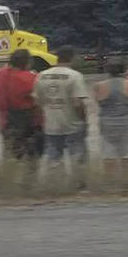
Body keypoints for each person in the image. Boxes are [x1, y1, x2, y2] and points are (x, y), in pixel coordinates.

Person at [34, 46, 90, 189]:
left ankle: (55, 186)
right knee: (77, 156)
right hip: (72, 123)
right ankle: (78, 186)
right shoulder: (75, 76)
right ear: (71, 57)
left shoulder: (41, 75)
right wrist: (84, 121)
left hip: (51, 123)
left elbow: (37, 103)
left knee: (53, 157)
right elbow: (78, 103)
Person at [94, 61, 128, 187]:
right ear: (123, 71)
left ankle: (111, 184)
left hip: (107, 124)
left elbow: (99, 102)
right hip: (127, 123)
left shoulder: (99, 85)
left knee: (109, 157)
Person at [0, 49, 42, 185]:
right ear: (26, 63)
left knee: (10, 156)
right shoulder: (28, 78)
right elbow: (37, 101)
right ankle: (29, 185)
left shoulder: (1, 74)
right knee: (32, 157)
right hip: (26, 120)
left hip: (6, 120)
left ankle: (5, 184)